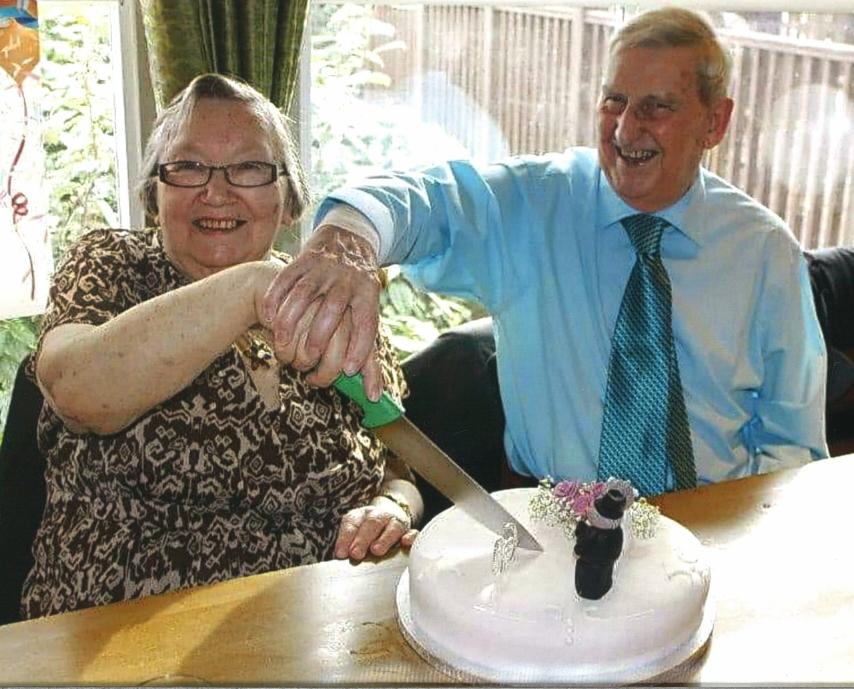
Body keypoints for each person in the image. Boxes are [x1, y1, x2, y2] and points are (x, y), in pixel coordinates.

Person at [261, 7, 828, 516]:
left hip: (712, 525)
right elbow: (425, 199)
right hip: (551, 527)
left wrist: (753, 546)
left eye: (658, 107)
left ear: (715, 122)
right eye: (616, 101)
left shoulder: (764, 252)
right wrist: (350, 238)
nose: (627, 129)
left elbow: (793, 442)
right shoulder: (533, 204)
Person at [20, 73, 422, 619]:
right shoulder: (111, 266)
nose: (216, 191)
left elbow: (397, 462)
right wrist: (252, 287)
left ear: (289, 203)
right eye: (187, 166)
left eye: (250, 168)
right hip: (121, 640)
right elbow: (76, 392)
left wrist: (391, 508)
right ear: (154, 197)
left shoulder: (330, 296)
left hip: (319, 630)